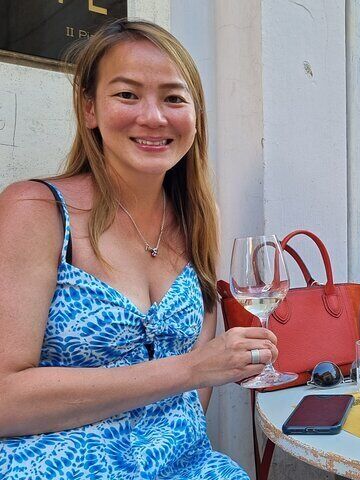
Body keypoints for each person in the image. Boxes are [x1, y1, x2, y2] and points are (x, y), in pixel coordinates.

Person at [0, 19, 276, 479]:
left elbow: (194, 396)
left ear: (195, 114)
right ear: (89, 108)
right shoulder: (34, 210)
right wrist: (189, 369)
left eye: (173, 97)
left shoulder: (196, 222)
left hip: (186, 465)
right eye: (127, 94)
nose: (153, 117)